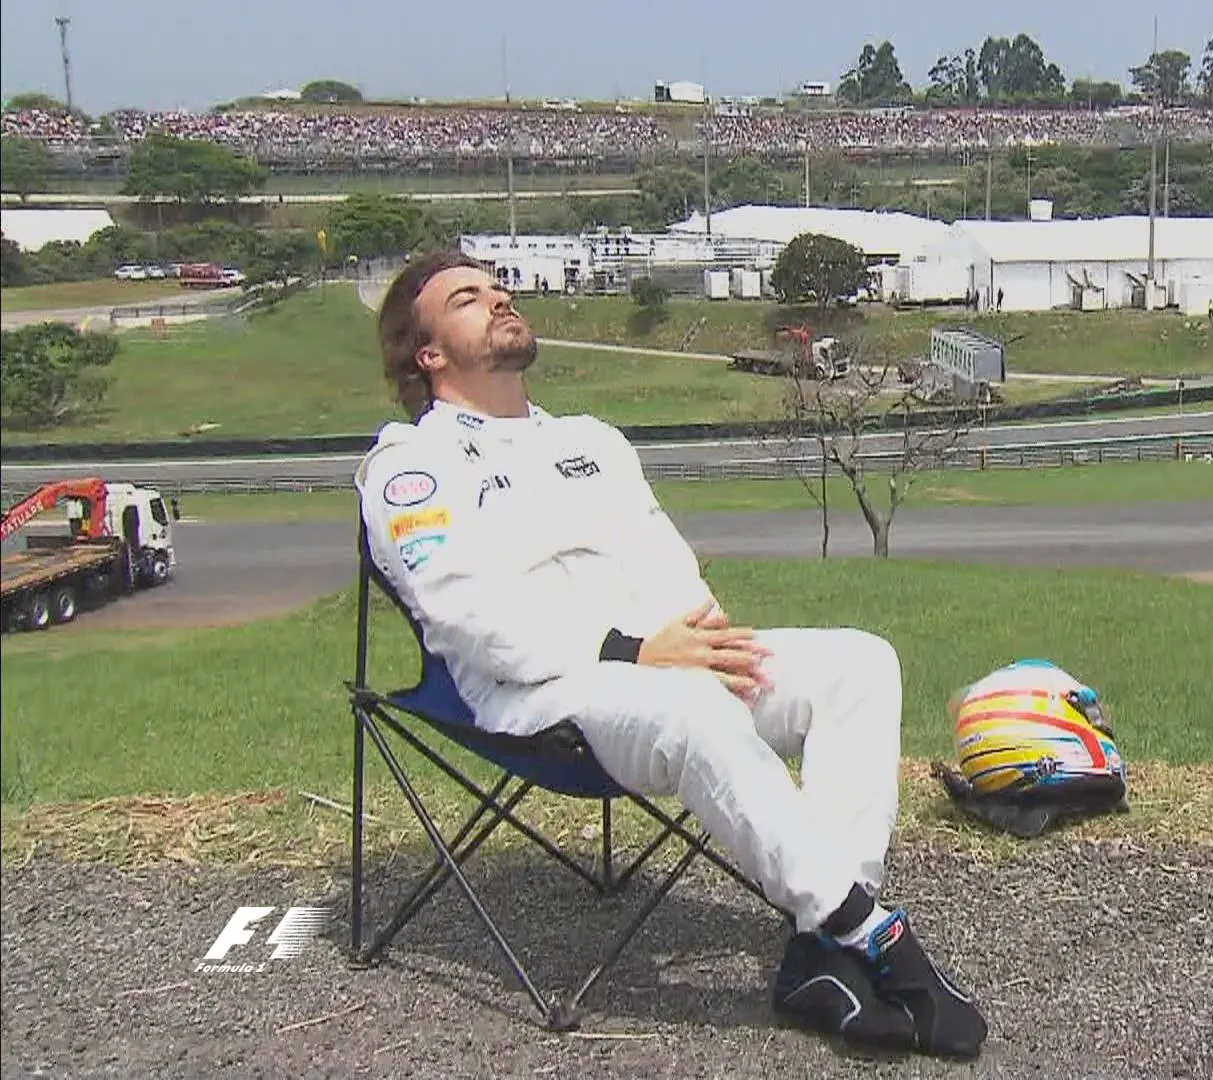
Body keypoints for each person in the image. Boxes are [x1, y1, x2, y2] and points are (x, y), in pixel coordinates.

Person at [353, 252, 987, 1060]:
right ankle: (873, 935)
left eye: (498, 285)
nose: (499, 297)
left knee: (861, 663)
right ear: (428, 353)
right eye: (468, 298)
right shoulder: (409, 465)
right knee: (691, 709)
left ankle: (821, 952)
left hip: (665, 664)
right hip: (546, 695)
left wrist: (704, 638)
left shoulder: (591, 441)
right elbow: (465, 616)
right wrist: (634, 650)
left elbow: (665, 565)